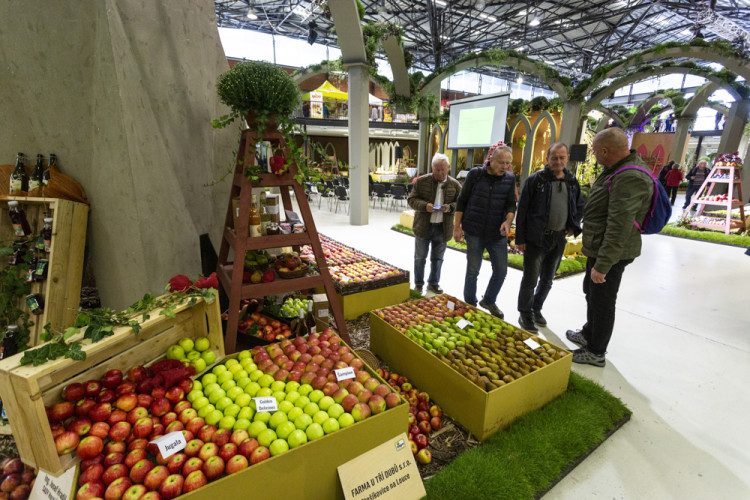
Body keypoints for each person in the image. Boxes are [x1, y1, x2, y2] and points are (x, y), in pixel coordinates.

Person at [565, 128, 654, 367]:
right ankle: (589, 333)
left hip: (612, 252)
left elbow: (619, 226)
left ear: (605, 150)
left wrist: (603, 265)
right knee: (592, 293)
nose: (593, 154)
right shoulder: (615, 169)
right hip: (599, 246)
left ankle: (596, 351)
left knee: (603, 301)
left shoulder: (629, 176)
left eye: (594, 151)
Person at [515, 142, 584, 332]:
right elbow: (522, 211)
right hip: (536, 239)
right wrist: (520, 239)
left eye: (562, 157)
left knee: (548, 279)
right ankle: (525, 313)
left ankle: (536, 308)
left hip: (559, 238)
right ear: (548, 158)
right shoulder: (535, 180)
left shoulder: (571, 182)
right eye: (554, 158)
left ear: (567, 158)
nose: (558, 161)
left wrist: (573, 225)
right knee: (530, 279)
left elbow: (579, 206)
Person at [453, 144, 517, 318]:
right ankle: (470, 305)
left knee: (501, 271)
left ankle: (488, 300)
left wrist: (508, 221)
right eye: (501, 162)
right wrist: (457, 227)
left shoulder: (510, 178)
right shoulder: (475, 175)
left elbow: (511, 204)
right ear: (491, 160)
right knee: (473, 271)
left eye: (508, 163)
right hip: (474, 232)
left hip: (497, 234)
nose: (505, 166)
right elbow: (462, 201)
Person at [407, 153, 462, 294]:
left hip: (443, 228)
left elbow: (461, 204)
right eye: (437, 169)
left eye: (443, 169)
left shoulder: (455, 185)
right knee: (420, 258)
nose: (440, 173)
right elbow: (411, 200)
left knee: (437, 259)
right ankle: (418, 284)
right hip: (423, 227)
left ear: (448, 168)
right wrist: (425, 206)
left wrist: (450, 207)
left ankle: (433, 283)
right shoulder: (421, 181)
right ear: (432, 168)